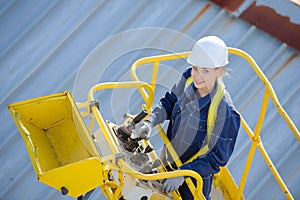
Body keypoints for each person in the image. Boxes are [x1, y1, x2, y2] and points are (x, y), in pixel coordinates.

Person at [133, 36, 241, 199]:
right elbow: (169, 103)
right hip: (166, 165)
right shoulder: (188, 78)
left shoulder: (226, 112)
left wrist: (182, 174)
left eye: (205, 71)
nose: (197, 76)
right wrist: (150, 122)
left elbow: (217, 159)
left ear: (218, 71)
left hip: (192, 185)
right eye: (195, 68)